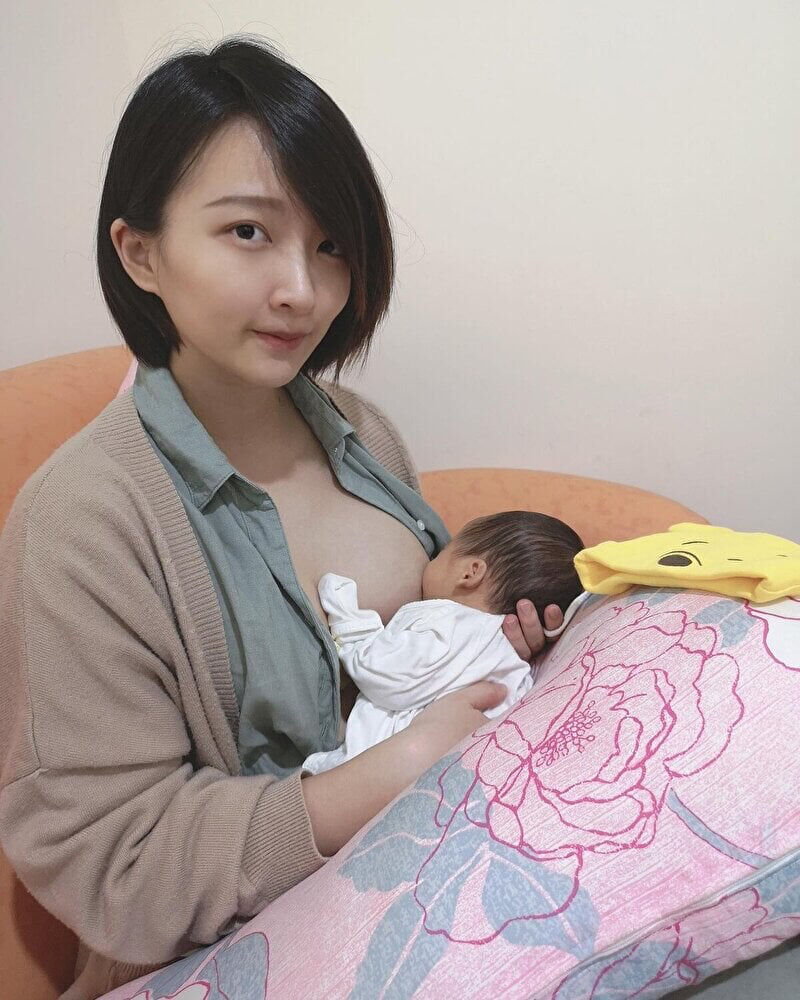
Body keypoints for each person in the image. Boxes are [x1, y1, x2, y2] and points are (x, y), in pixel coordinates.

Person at [0, 35, 562, 1000]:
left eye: (331, 243)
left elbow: (430, 634)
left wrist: (505, 637)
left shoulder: (364, 434)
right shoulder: (83, 519)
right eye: (248, 232)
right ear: (140, 252)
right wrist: (385, 775)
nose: (303, 290)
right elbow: (111, 861)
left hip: (439, 903)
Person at [303, 511, 587, 774]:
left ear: (470, 573)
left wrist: (349, 622)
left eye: (443, 551)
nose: (432, 558)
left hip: (380, 768)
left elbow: (382, 674)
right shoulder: (514, 665)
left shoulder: (446, 622)